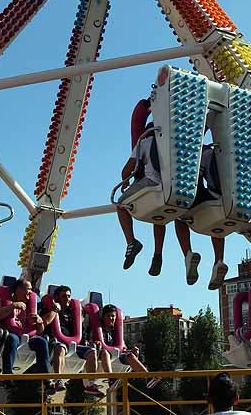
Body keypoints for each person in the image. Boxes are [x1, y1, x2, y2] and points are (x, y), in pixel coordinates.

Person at [116, 108, 227, 289]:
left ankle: (134, 243)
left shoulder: (145, 141)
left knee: (126, 205)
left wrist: (130, 180)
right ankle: (218, 260)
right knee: (216, 222)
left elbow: (125, 171)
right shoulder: (191, 141)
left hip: (158, 187)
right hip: (194, 191)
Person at [78, 304, 156, 396]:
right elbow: (89, 344)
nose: (112, 318)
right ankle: (111, 379)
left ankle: (148, 378)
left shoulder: (116, 333)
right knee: (105, 353)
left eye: (113, 316)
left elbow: (123, 348)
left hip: (116, 356)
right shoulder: (96, 330)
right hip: (101, 356)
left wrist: (132, 351)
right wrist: (95, 344)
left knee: (130, 356)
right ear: (103, 317)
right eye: (109, 316)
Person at [0, 278, 51, 376]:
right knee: (12, 339)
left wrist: (40, 323)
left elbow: (39, 331)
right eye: (28, 289)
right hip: (11, 334)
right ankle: (7, 374)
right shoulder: (5, 301)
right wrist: (13, 306)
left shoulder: (31, 306)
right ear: (19, 289)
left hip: (28, 336)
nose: (31, 292)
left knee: (42, 342)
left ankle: (46, 379)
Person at [39, 285, 77, 394]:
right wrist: (55, 310)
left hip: (71, 342)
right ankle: (58, 379)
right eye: (64, 296)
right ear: (57, 298)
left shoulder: (71, 313)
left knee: (91, 351)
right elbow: (44, 323)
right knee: (60, 348)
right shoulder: (47, 308)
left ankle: (92, 384)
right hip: (53, 341)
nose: (67, 299)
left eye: (69, 296)